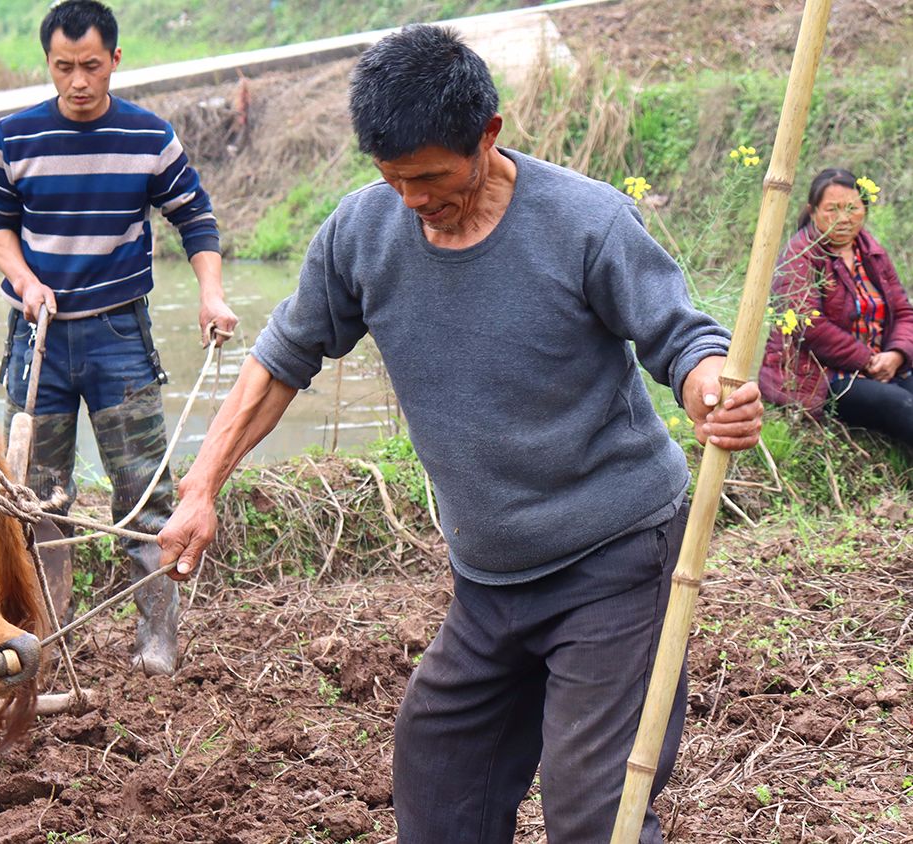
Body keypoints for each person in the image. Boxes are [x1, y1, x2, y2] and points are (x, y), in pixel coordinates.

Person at [157, 25, 763, 843]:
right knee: (440, 776)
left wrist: (709, 389)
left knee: (596, 814)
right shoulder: (362, 232)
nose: (413, 199)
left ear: (488, 136)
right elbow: (281, 359)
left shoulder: (587, 223)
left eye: (432, 177)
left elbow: (683, 340)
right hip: (489, 578)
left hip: (614, 560)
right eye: (394, 178)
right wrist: (202, 486)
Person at [0, 0, 238, 676]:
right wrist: (26, 281)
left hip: (120, 335)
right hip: (39, 336)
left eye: (91, 66)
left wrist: (211, 293)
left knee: (144, 495)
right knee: (33, 499)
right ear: (49, 64)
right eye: (64, 67)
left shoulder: (149, 137)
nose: (79, 81)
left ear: (115, 59)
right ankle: (41, 643)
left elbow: (195, 218)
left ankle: (157, 643)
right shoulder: (15, 137)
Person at [759, 167, 913, 448]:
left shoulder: (870, 250)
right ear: (813, 211)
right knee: (901, 405)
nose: (843, 219)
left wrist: (896, 355)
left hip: (882, 365)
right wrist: (867, 361)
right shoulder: (800, 255)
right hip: (822, 376)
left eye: (852, 208)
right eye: (832, 209)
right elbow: (811, 328)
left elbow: (903, 312)